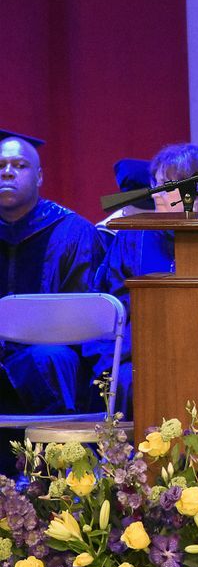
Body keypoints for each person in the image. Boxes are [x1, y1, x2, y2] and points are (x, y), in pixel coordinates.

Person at [88, 143, 198, 415]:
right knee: (128, 379)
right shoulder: (132, 238)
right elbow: (109, 307)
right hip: (141, 354)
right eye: (156, 183)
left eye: (169, 185)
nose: (157, 193)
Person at [0, 129, 106, 471]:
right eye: (0, 166)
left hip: (52, 354)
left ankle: (60, 473)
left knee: (50, 358)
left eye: (20, 165)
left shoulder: (73, 232)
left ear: (40, 176)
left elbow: (86, 320)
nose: (7, 172)